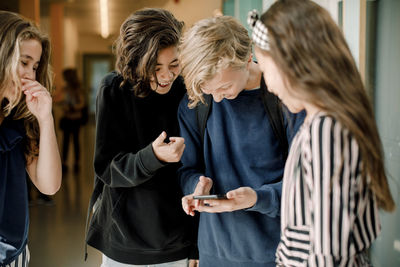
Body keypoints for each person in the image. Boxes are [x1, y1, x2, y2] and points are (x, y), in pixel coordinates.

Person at [248, 0, 396, 266]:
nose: (268, 85)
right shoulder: (324, 124)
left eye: (267, 70)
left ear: (290, 64)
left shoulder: (326, 132)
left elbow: (328, 249)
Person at [178, 16, 304, 267]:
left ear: (247, 58)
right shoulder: (197, 102)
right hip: (215, 253)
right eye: (208, 90)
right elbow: (187, 169)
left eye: (223, 86)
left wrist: (257, 198)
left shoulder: (286, 99)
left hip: (277, 253)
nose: (217, 98)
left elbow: (305, 185)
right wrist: (196, 187)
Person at [85, 8, 197, 267]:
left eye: (174, 65)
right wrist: (153, 156)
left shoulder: (188, 90)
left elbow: (200, 171)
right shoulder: (114, 89)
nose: (167, 76)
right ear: (135, 62)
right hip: (122, 241)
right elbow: (107, 168)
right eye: (155, 68)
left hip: (176, 242)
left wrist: (197, 245)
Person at [0, 11, 62, 266]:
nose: (30, 75)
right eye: (24, 62)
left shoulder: (20, 121)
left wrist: (45, 119)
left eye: (35, 67)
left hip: (14, 255)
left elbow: (49, 186)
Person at [59, 68, 85, 173]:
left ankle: (76, 163)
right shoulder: (65, 89)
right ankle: (64, 163)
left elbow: (82, 103)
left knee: (75, 142)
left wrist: (72, 107)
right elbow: (62, 100)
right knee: (65, 142)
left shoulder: (77, 89)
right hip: (67, 119)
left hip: (75, 119)